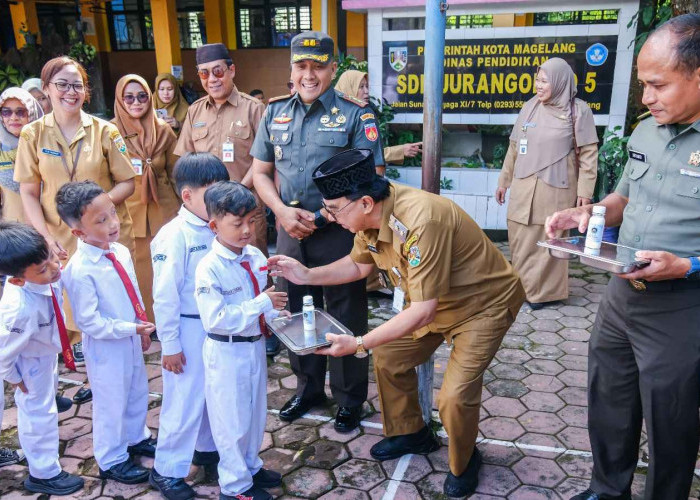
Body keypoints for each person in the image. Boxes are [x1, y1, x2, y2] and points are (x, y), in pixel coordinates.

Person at [270, 148, 525, 498]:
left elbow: (421, 311)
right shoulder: (370, 216)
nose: (326, 217)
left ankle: (465, 461)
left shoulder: (422, 219)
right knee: (390, 356)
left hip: (482, 305)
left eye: (333, 209)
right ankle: (412, 433)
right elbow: (360, 265)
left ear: (364, 203)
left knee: (453, 397)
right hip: (434, 301)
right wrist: (306, 274)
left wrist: (359, 344)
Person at [546, 14, 700, 500]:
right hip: (621, 293)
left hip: (683, 304)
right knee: (608, 396)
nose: (647, 97)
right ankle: (607, 489)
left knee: (670, 417)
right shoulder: (646, 131)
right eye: (643, 86)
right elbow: (623, 198)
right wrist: (589, 213)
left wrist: (689, 265)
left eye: (658, 85)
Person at [251, 32, 385, 432]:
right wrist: (280, 213)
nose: (309, 74)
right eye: (301, 66)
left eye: (318, 66)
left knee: (345, 312)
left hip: (340, 230)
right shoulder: (274, 113)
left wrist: (325, 218)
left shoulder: (355, 115)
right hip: (290, 229)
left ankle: (349, 398)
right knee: (297, 311)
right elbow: (260, 173)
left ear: (332, 68)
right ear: (291, 69)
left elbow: (373, 177)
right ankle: (308, 388)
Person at [14, 57, 136, 398]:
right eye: (62, 84)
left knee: (109, 308)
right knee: (68, 311)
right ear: (47, 90)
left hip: (103, 236)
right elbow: (28, 191)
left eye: (77, 85)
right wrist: (46, 237)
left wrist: (94, 212)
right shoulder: (32, 134)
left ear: (86, 91)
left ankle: (110, 381)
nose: (71, 92)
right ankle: (86, 378)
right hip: (58, 240)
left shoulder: (105, 131)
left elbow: (128, 182)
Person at [195, 181, 287, 500]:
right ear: (214, 225)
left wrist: (283, 323)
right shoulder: (209, 268)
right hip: (226, 351)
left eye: (252, 221)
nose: (247, 230)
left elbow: (264, 303)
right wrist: (262, 305)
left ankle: (250, 465)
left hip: (254, 347)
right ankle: (234, 488)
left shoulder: (253, 255)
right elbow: (217, 318)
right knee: (230, 421)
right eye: (237, 224)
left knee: (255, 413)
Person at [58, 181, 155, 485]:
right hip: (105, 346)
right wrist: (131, 327)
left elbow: (133, 289)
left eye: (112, 214)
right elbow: (89, 322)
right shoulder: (80, 269)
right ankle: (112, 459)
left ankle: (136, 436)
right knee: (111, 400)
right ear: (78, 232)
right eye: (101, 221)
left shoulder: (120, 250)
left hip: (129, 335)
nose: (113, 224)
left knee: (137, 389)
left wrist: (139, 323)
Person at [149, 153, 230, 500]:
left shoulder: (215, 227)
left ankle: (207, 450)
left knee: (213, 395)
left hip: (214, 328)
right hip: (186, 328)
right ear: (187, 196)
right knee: (183, 401)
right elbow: (164, 296)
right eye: (212, 192)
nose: (221, 199)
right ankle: (166, 469)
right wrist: (169, 344)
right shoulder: (174, 236)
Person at [495, 57, 598, 310]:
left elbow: (588, 153)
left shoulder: (578, 110)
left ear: (560, 82)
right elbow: (514, 147)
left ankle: (544, 294)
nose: (537, 85)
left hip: (556, 187)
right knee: (519, 239)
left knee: (549, 240)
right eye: (537, 79)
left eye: (544, 80)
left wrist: (585, 191)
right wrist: (503, 181)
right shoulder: (530, 106)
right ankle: (520, 289)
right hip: (523, 186)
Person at [0, 222, 84, 495]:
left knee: (45, 397)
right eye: (43, 269)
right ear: (17, 280)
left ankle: (48, 393)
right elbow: (3, 353)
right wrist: (16, 380)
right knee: (38, 414)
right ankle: (44, 473)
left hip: (44, 351)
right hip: (29, 362)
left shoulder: (39, 277)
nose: (54, 267)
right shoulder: (19, 311)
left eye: (49, 256)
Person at [175, 43, 267, 255]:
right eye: (204, 73)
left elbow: (263, 158)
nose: (212, 79)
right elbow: (186, 161)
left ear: (231, 70)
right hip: (206, 214)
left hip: (244, 210)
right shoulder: (194, 111)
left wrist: (237, 192)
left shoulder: (254, 108)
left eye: (217, 71)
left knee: (253, 270)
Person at [113, 74, 180, 323]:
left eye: (142, 96)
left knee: (168, 267)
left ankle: (170, 320)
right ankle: (144, 320)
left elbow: (176, 172)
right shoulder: (111, 133)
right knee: (139, 267)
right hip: (131, 210)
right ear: (120, 100)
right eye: (128, 97)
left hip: (164, 207)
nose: (136, 102)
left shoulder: (163, 130)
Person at [335, 70, 422, 167]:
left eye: (367, 86)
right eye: (361, 87)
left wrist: (400, 151)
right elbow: (364, 156)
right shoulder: (356, 115)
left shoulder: (359, 112)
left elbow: (366, 152)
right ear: (349, 88)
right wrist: (400, 151)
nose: (366, 91)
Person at [0, 88, 44, 223]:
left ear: (31, 113)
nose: (13, 118)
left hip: (50, 227)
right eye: (6, 112)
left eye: (21, 112)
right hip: (12, 231)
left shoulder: (47, 144)